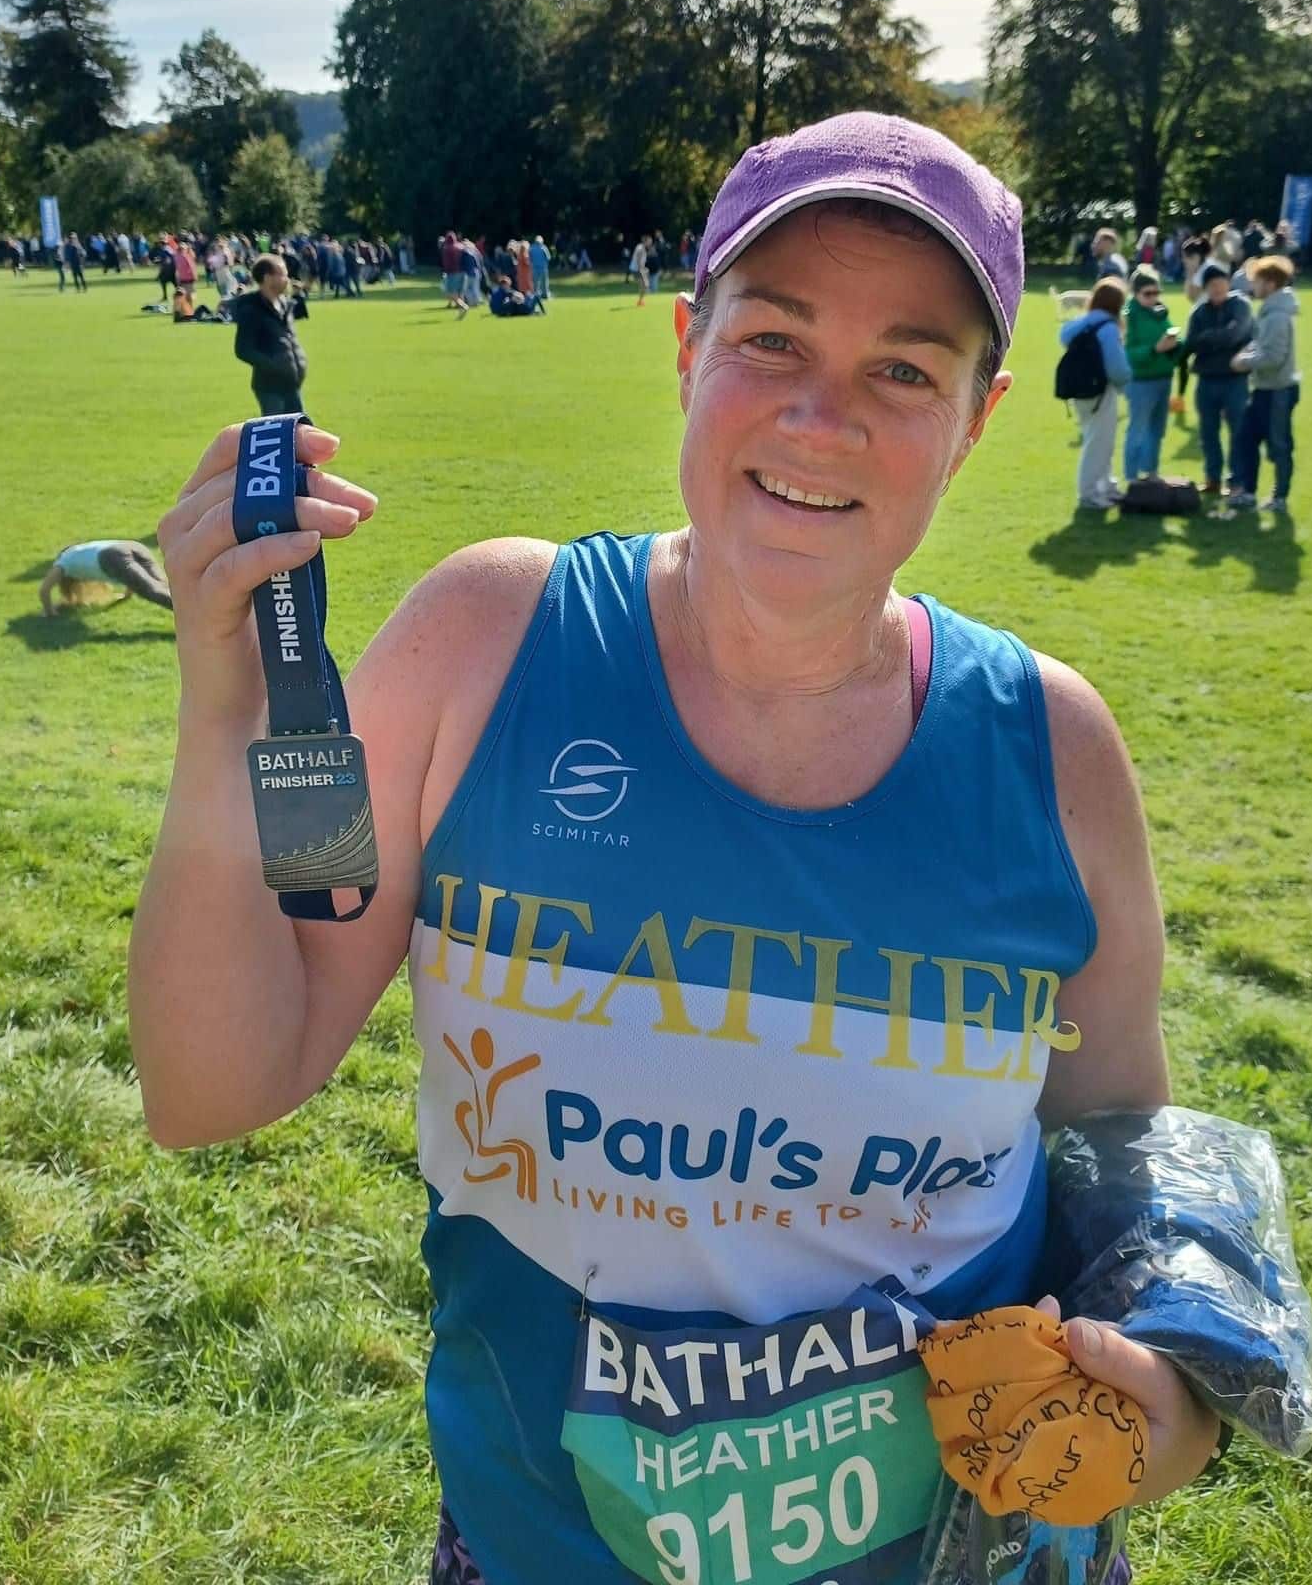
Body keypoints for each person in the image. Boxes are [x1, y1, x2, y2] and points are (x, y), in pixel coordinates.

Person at [132, 112, 1230, 1585]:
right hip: (545, 1551)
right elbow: (217, 1082)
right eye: (771, 340)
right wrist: (230, 718)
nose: (821, 416)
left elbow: (1122, 1161)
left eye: (904, 369)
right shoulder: (479, 646)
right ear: (686, 342)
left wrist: (1172, 1400)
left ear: (976, 419)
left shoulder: (1058, 753)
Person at [1232, 256, 1301, 512]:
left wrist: (1244, 362)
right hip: (1264, 390)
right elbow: (1260, 344)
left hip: (1278, 391)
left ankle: (1279, 497)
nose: (1253, 286)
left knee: (1279, 445)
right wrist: (1247, 353)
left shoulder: (1278, 316)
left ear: (1270, 284)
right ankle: (1248, 493)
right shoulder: (1270, 311)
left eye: (1257, 281)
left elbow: (1273, 356)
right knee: (1246, 438)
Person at [1181, 263, 1255, 497]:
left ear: (1229, 283)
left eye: (1222, 283)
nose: (1218, 289)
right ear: (1205, 288)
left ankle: (1236, 481)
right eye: (1213, 285)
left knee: (1238, 431)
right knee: (1208, 432)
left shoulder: (1241, 305)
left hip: (1235, 379)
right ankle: (1212, 478)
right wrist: (1219, 339)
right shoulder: (1199, 312)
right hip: (1207, 379)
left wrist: (1209, 339)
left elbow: (1237, 333)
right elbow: (1192, 342)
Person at [1059, 277, 1132, 508]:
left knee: (1098, 440)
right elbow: (1117, 368)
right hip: (1101, 392)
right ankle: (1090, 493)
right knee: (1099, 444)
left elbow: (1063, 335)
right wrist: (1126, 382)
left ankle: (1106, 487)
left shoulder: (1081, 324)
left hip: (1079, 391)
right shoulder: (1108, 328)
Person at [231, 254, 308, 415]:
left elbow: (300, 316)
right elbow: (243, 349)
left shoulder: (284, 304)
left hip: (292, 384)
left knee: (300, 434)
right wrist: (273, 365)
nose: (287, 279)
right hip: (271, 388)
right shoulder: (251, 310)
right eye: (282, 274)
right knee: (276, 434)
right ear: (267, 278)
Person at [1122, 270, 1181, 480]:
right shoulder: (1129, 316)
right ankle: (1131, 476)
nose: (1154, 298)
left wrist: (1176, 344)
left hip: (1163, 378)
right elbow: (1128, 353)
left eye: (1157, 293)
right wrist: (1155, 349)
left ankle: (1151, 472)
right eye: (1148, 294)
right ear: (1136, 293)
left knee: (1157, 430)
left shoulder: (1159, 311)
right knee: (1137, 431)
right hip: (1140, 381)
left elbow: (1170, 332)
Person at [40, 539, 173, 615]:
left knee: (154, 592)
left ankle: (192, 615)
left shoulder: (63, 561)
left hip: (112, 555)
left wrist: (49, 612)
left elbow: (44, 590)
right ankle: (191, 606)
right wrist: (127, 595)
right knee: (163, 587)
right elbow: (132, 577)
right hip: (133, 546)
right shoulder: (82, 551)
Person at [441, 233, 468, 314]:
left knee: (451, 292)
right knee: (460, 292)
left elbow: (446, 262)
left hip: (452, 272)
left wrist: (445, 271)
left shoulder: (447, 248)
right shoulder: (461, 247)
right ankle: (461, 311)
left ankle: (464, 306)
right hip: (463, 272)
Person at [528, 233, 551, 303]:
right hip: (543, 268)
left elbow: (529, 258)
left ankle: (536, 295)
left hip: (534, 268)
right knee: (544, 282)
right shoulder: (543, 247)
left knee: (535, 283)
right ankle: (545, 295)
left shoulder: (531, 248)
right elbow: (548, 257)